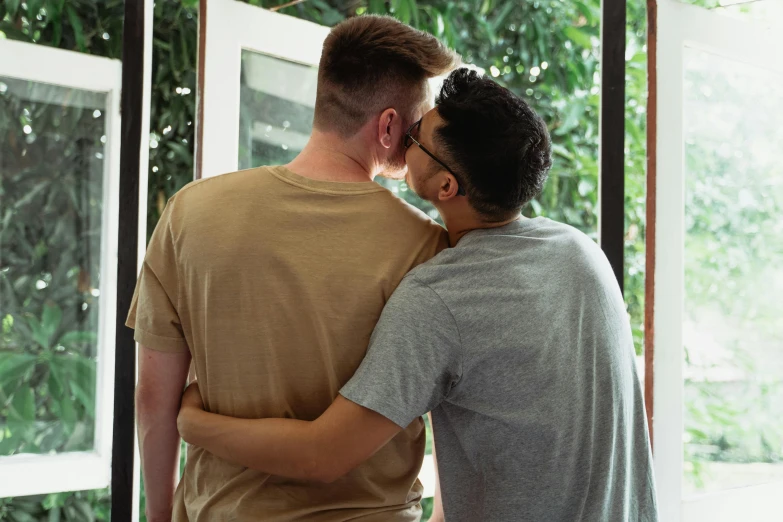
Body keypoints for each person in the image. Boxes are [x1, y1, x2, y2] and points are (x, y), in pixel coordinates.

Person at [177, 68, 659, 522]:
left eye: (414, 139)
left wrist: (194, 425)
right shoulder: (580, 253)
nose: (402, 142)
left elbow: (321, 455)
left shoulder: (441, 298)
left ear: (447, 184)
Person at [128, 15, 459, 522]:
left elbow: (154, 399)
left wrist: (159, 515)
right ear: (389, 126)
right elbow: (455, 418)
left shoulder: (189, 213)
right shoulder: (427, 244)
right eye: (416, 130)